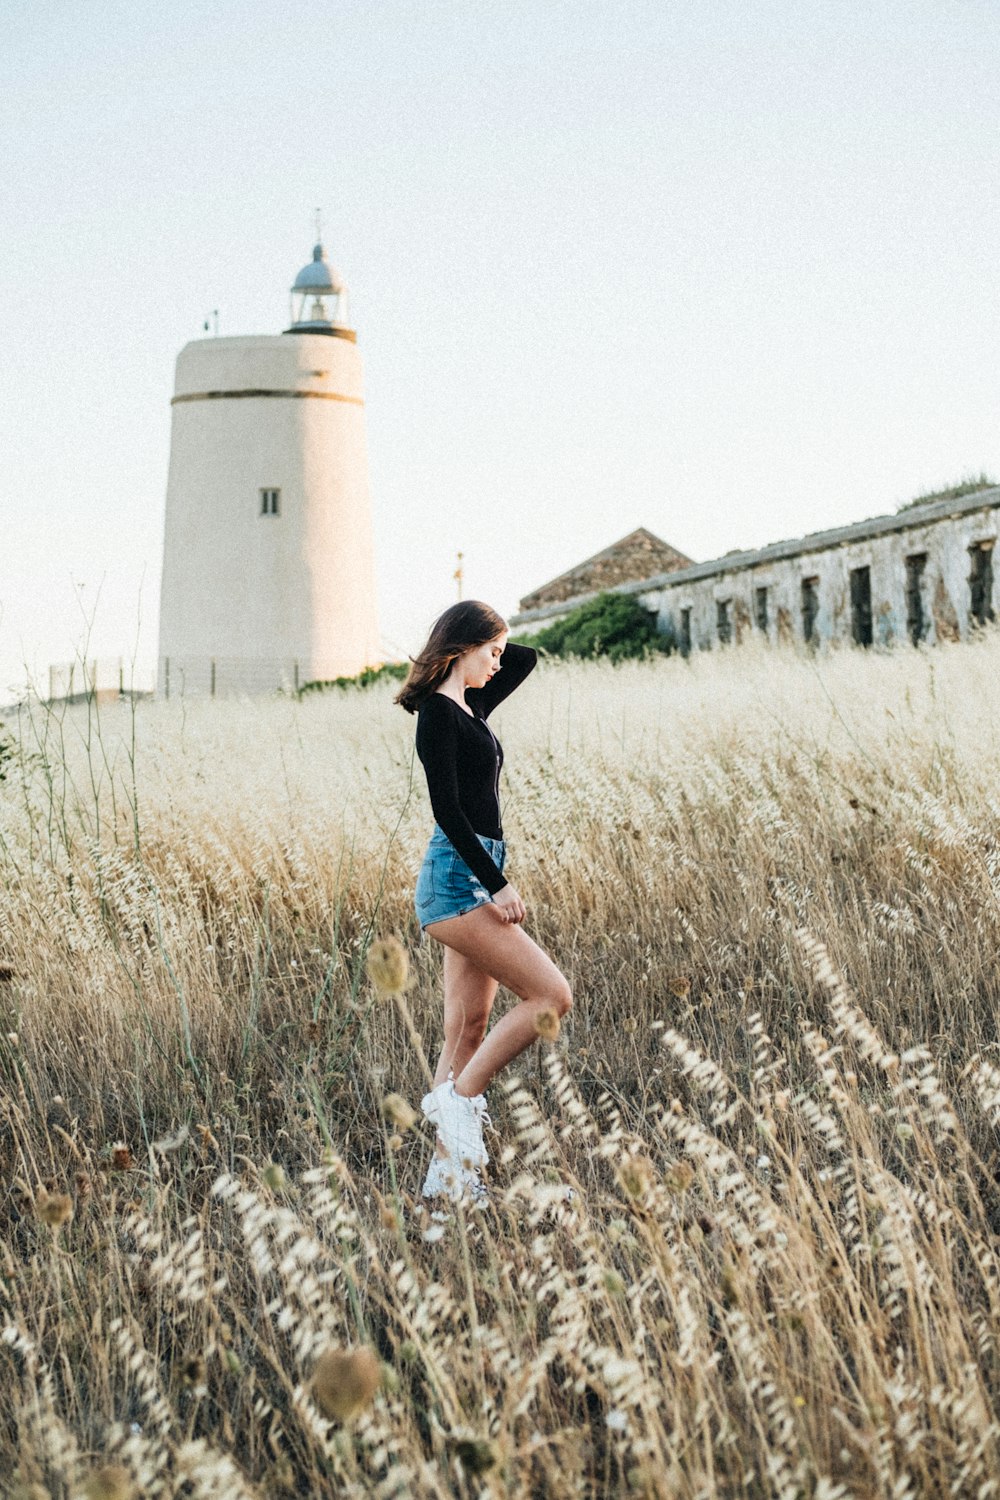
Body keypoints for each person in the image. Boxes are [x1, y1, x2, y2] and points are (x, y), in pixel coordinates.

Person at [395, 600, 573, 1203]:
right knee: (551, 995)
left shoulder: (471, 704)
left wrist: (490, 643)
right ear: (461, 647)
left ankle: (447, 1181)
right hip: (458, 881)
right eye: (489, 652)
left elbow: (526, 658)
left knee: (466, 1028)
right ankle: (458, 1104)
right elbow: (447, 810)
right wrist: (496, 884)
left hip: (475, 871)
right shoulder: (438, 716)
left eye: (499, 653)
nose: (500, 664)